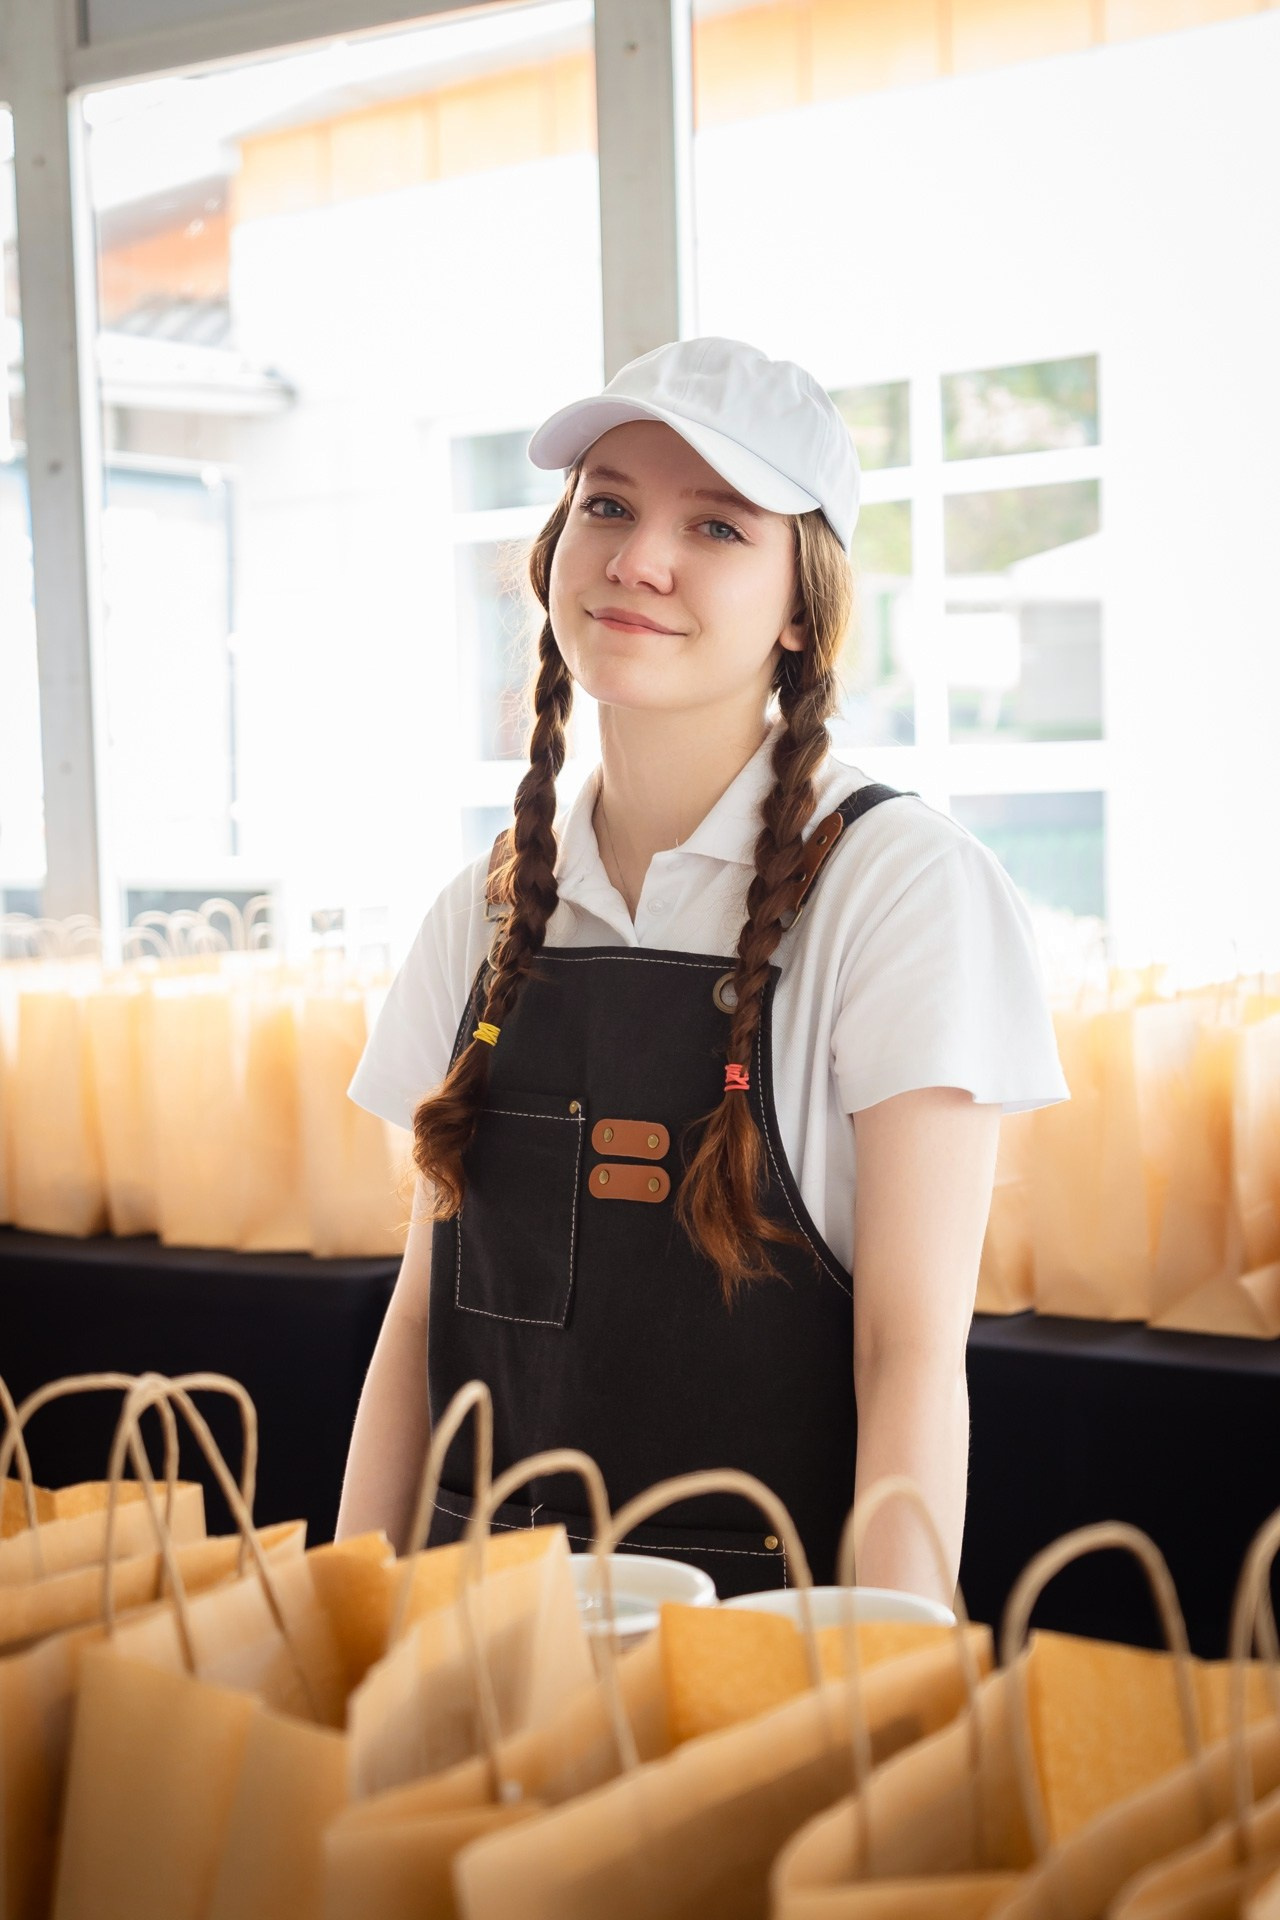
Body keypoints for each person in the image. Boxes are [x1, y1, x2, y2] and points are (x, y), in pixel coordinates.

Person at [336, 336, 1069, 1604]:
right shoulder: (490, 905)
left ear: (800, 606)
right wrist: (339, 1627)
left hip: (763, 1658)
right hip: (478, 1642)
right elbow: (420, 1321)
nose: (637, 560)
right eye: (606, 505)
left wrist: (893, 1688)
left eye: (717, 528)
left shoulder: (897, 888)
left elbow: (907, 1358)